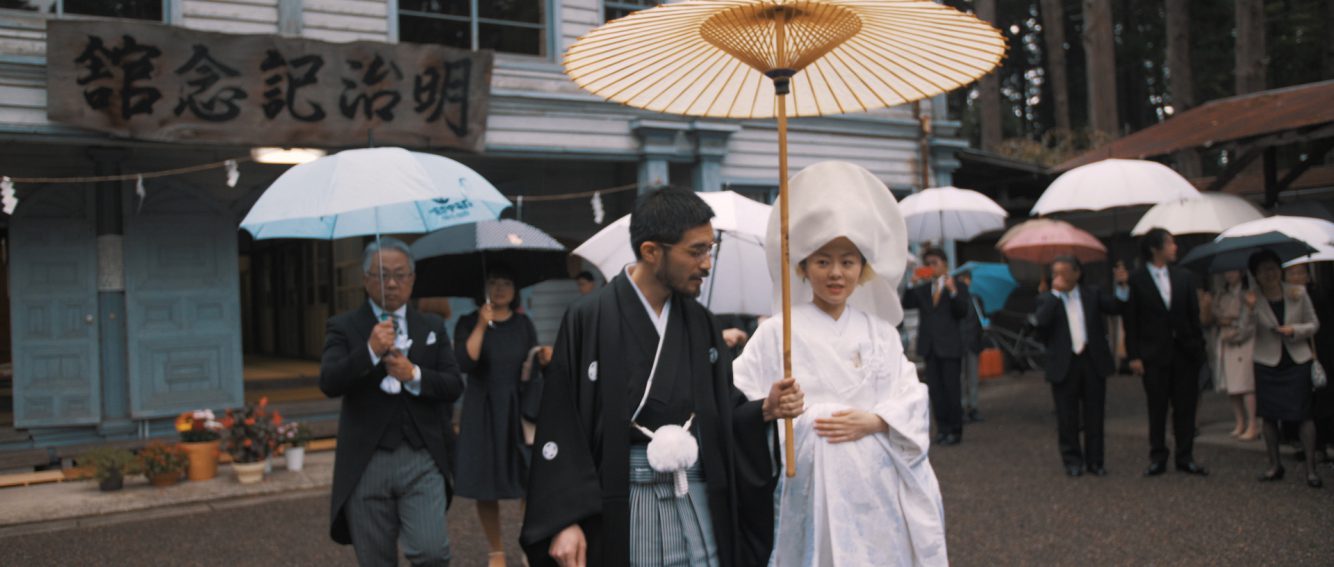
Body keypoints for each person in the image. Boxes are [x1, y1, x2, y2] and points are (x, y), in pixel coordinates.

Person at [520, 187, 804, 567]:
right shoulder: (589, 317)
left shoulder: (700, 322)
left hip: (696, 492)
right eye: (696, 251)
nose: (707, 263)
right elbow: (561, 424)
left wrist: (763, 410)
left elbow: (721, 409)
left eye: (709, 249)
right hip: (624, 497)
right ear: (652, 251)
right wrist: (565, 520)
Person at [732, 161, 946, 566]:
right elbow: (737, 397)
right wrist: (771, 407)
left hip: (877, 483)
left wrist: (878, 420)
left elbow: (911, 397)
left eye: (848, 262)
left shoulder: (880, 331)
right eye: (823, 261)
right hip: (810, 486)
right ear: (803, 267)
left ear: (862, 271)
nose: (835, 273)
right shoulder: (777, 332)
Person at [319, 238, 465, 567]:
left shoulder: (431, 326)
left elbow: (454, 384)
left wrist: (413, 373)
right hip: (367, 461)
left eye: (401, 274)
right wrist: (369, 350)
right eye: (383, 275)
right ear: (365, 279)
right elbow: (329, 382)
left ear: (413, 278)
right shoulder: (343, 327)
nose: (393, 283)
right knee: (376, 560)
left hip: (421, 456)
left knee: (432, 552)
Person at [455, 267, 551, 567]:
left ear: (515, 289)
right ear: (482, 287)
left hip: (518, 408)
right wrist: (482, 325)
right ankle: (495, 549)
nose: (500, 289)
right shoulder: (468, 321)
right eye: (493, 283)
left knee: (530, 478)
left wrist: (544, 358)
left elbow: (532, 366)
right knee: (486, 483)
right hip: (482, 411)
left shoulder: (523, 323)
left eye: (507, 283)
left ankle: (528, 541)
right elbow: (465, 362)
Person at [1121, 228, 1208, 477]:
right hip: (1153, 353)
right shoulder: (1136, 280)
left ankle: (1185, 455)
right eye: (1170, 243)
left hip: (1184, 351)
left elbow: (1194, 316)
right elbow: (1132, 321)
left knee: (1186, 406)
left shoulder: (1184, 277)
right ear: (1154, 248)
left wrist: (1198, 347)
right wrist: (1134, 355)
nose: (1174, 247)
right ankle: (1158, 455)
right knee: (1157, 406)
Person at [1033, 256, 1124, 477]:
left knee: (1095, 414)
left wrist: (1121, 285)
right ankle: (1072, 461)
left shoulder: (1092, 294)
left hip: (1091, 360)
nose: (1059, 278)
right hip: (1064, 363)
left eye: (1064, 273)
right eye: (1055, 273)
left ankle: (1096, 460)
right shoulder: (1047, 299)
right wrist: (1054, 295)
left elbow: (1115, 307)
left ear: (1076, 273)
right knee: (1066, 416)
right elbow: (1039, 326)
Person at [1243, 251, 1322, 488]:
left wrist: (1294, 330)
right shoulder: (1252, 298)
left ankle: (1311, 469)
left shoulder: (1297, 293)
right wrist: (1250, 309)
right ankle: (1274, 464)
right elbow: (1245, 332)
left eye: (1274, 268)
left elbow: (1314, 324)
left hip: (1297, 360)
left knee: (1304, 414)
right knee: (1269, 416)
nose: (1270, 273)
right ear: (1256, 275)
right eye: (1264, 269)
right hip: (1267, 362)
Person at [902, 248, 972, 445]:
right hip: (930, 346)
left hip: (950, 346)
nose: (931, 267)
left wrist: (953, 291)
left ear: (944, 264)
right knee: (936, 391)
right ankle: (942, 429)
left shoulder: (958, 285)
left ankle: (955, 430)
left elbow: (962, 311)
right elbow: (907, 303)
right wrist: (911, 282)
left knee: (952, 390)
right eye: (928, 264)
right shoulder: (924, 289)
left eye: (934, 263)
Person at [1286, 263, 1333, 464]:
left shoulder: (1319, 296)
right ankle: (1308, 445)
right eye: (1292, 273)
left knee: (1323, 400)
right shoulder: (1286, 297)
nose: (1297, 277)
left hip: (1321, 352)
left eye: (1301, 272)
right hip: (1296, 354)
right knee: (1304, 403)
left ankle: (1322, 443)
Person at [1212, 270, 1259, 441]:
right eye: (1227, 272)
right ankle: (1240, 421)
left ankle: (1252, 423)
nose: (1229, 275)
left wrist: (1235, 329)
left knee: (1246, 384)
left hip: (1243, 340)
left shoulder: (1248, 293)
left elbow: (1250, 319)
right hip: (1226, 339)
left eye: (1233, 271)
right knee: (1232, 385)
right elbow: (1216, 314)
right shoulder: (1221, 294)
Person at [958, 271, 984, 423]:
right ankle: (962, 406)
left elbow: (981, 319)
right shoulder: (955, 297)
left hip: (973, 342)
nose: (965, 283)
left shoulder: (976, 299)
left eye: (967, 280)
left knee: (973, 377)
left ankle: (973, 407)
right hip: (959, 343)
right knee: (960, 378)